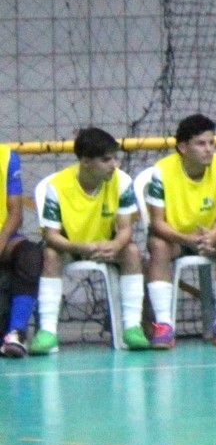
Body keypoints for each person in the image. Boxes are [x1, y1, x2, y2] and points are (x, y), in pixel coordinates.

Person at [33, 127, 147, 353]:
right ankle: (47, 332)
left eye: (114, 158)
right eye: (106, 160)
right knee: (50, 254)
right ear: (85, 161)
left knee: (132, 251)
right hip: (71, 245)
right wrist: (80, 246)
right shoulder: (57, 186)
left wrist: (114, 245)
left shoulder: (122, 181)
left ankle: (132, 327)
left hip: (107, 245)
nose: (114, 164)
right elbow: (51, 235)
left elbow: (125, 229)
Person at [142, 114, 216, 348]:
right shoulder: (162, 171)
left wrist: (211, 237)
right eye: (201, 144)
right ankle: (164, 326)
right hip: (175, 238)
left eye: (211, 143)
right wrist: (186, 239)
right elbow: (157, 222)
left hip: (211, 237)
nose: (208, 150)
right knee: (157, 245)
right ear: (183, 147)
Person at [0, 139, 38, 357]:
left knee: (30, 254)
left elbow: (15, 212)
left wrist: (2, 239)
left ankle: (16, 333)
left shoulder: (7, 157)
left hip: (3, 237)